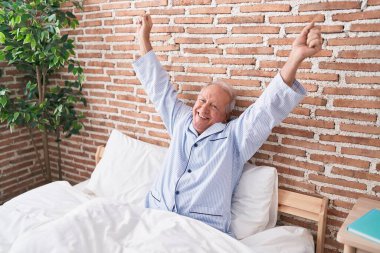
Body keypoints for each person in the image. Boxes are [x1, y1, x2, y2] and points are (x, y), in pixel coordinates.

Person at [133, 14, 322, 237]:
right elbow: (158, 88)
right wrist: (142, 37)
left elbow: (266, 108)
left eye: (213, 106)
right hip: (154, 216)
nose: (202, 109)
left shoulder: (234, 139)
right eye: (202, 101)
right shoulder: (180, 120)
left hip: (198, 232)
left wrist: (295, 57)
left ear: (225, 116)